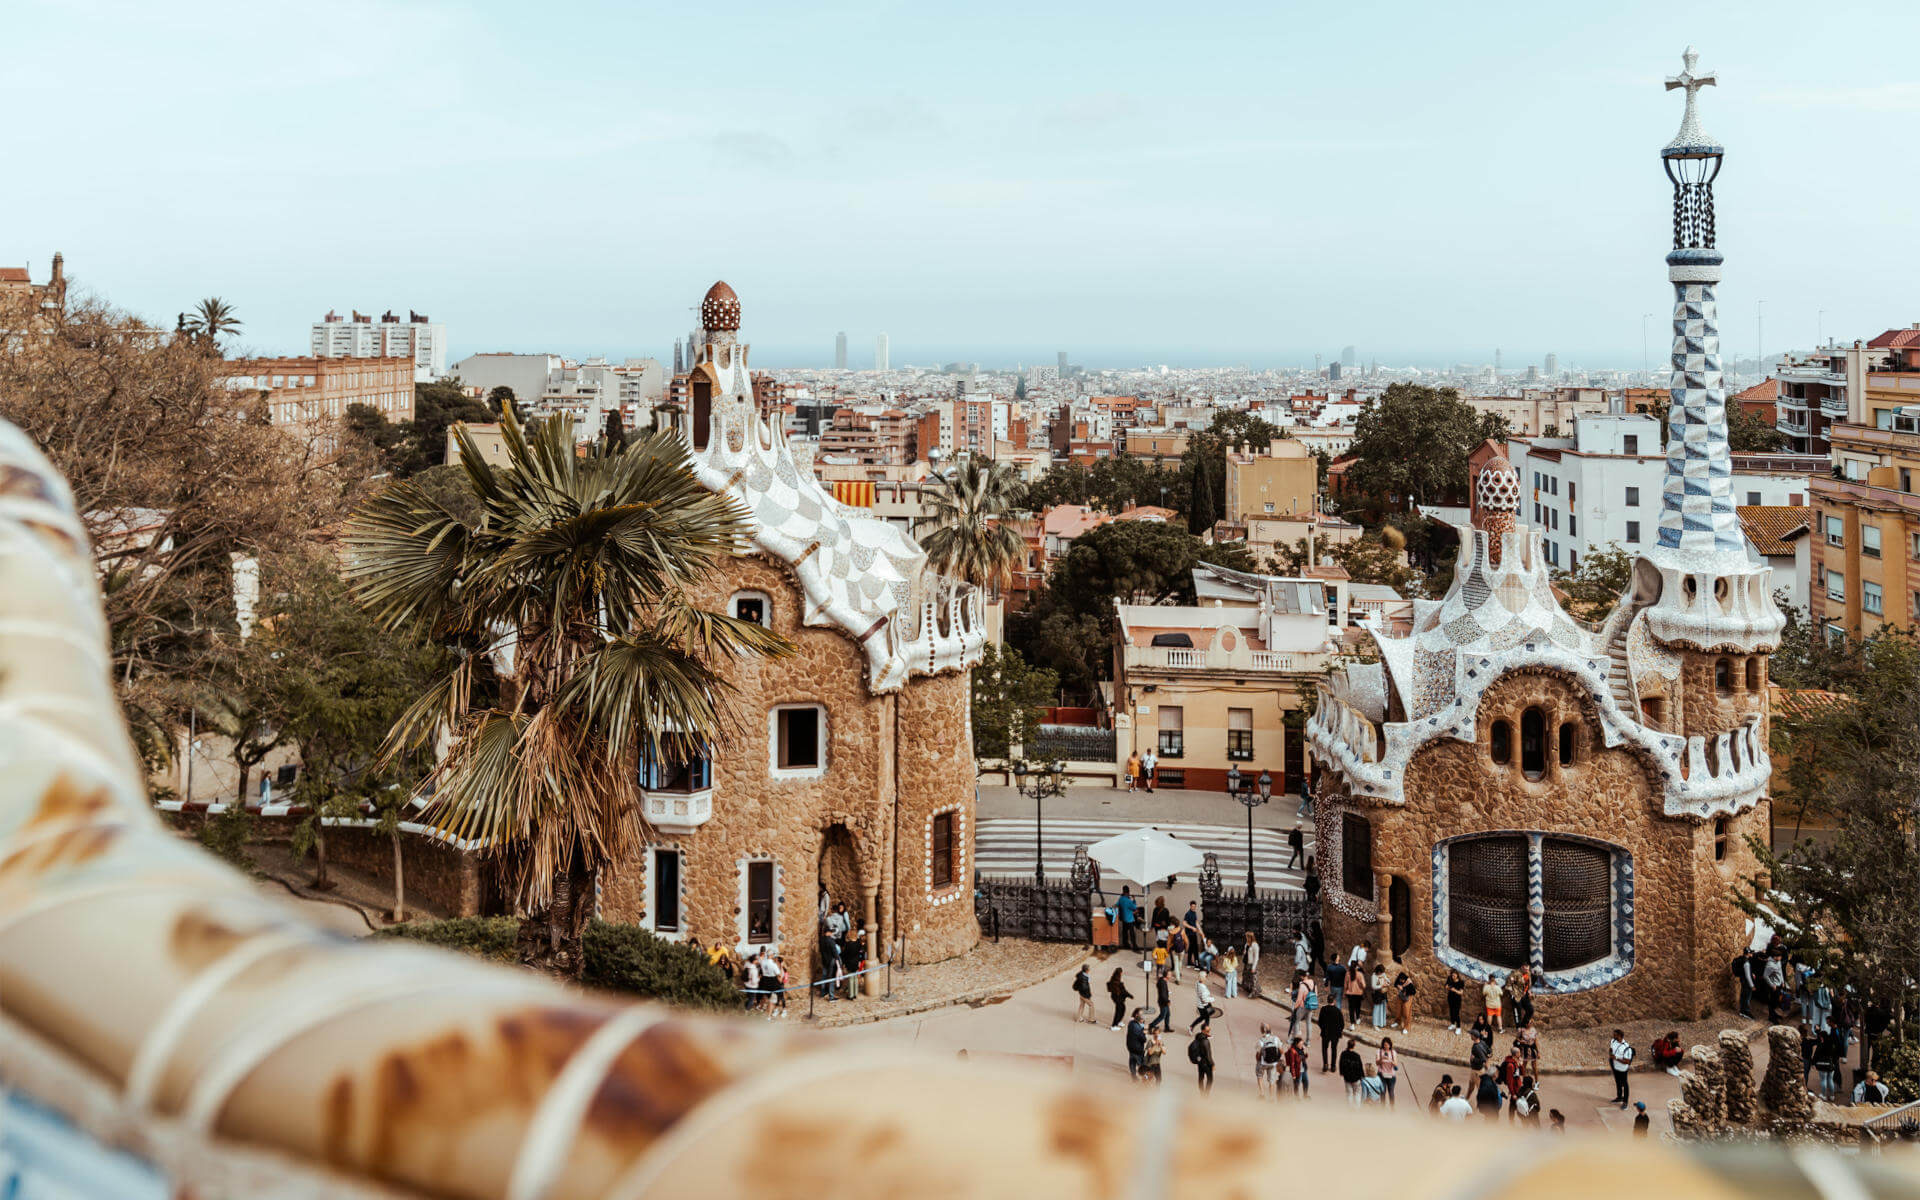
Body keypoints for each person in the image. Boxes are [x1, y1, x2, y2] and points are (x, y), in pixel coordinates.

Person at [1317, 986, 1346, 1073]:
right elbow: (1342, 1024)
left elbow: (1320, 1021)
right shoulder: (1338, 1011)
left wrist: (1322, 1028)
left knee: (1324, 1049)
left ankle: (1325, 1064)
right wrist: (1339, 1031)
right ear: (1334, 1001)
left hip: (1325, 1032)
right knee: (1334, 1049)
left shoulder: (1323, 1009)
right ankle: (1333, 1066)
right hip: (1335, 1034)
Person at [1812, 1028, 1842, 1102]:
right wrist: (1834, 1063)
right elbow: (1835, 1055)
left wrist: (1813, 1063)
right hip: (1830, 1065)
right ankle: (1832, 1096)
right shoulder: (1831, 1045)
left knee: (1823, 1080)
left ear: (1822, 1037)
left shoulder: (1821, 1045)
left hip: (1822, 1065)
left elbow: (1816, 1055)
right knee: (1830, 1080)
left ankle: (1824, 1095)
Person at [1609, 1028, 1635, 1109]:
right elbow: (1611, 1048)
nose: (1613, 1036)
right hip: (1614, 1065)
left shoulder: (1626, 1048)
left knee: (1624, 1084)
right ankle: (1619, 1097)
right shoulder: (1613, 1041)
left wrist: (1615, 1057)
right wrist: (1610, 1054)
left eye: (1615, 1034)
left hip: (1622, 1068)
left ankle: (1625, 1102)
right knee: (1617, 1081)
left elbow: (1627, 1061)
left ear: (1619, 1036)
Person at [1254, 1023, 1281, 1096]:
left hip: (1263, 1063)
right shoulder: (1276, 1039)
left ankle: (1262, 1093)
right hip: (1273, 1063)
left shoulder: (1260, 1041)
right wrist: (1276, 1059)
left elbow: (1258, 1054)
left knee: (1259, 1076)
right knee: (1272, 1080)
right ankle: (1271, 1096)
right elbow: (1281, 1051)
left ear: (1262, 1031)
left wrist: (1258, 1062)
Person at [1338, 1039, 1365, 1106]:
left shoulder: (1343, 1054)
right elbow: (1360, 1067)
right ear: (1354, 1046)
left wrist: (1342, 1072)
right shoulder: (1356, 1056)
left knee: (1349, 1093)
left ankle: (1350, 1107)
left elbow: (1341, 1064)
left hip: (1347, 1076)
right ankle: (1357, 1108)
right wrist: (1362, 1076)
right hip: (1356, 1077)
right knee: (1357, 1093)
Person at [1189, 1024, 1215, 1093]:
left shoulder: (1198, 1037)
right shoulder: (1205, 1041)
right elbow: (1208, 1054)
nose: (1209, 1032)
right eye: (1207, 1031)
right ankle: (1206, 1094)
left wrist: (1206, 1036)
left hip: (1199, 1061)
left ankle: (1201, 1092)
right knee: (1210, 1079)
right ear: (1203, 1030)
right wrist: (1212, 1064)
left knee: (1201, 1078)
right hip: (1206, 1063)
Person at [1375, 1038, 1400, 1107]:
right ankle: (1383, 1107)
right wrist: (1382, 1059)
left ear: (1390, 1045)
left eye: (1387, 1045)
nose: (1386, 1046)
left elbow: (1395, 1064)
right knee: (1382, 1092)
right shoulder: (1379, 1051)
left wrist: (1390, 1060)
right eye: (1385, 1045)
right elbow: (1377, 1063)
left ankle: (1392, 1107)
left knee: (1391, 1092)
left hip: (1391, 1075)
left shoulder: (1393, 1052)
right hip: (1381, 1074)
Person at [1150, 966, 1174, 1033]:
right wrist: (1168, 1001)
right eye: (1169, 974)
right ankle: (1151, 1025)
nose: (1171, 975)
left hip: (1162, 1001)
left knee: (1168, 1014)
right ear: (1166, 975)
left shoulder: (1162, 980)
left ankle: (1167, 1028)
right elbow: (1163, 995)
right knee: (1162, 1016)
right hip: (1163, 1002)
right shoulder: (1163, 983)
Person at [1732, 949, 1755, 1018]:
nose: (1752, 954)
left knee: (1743, 995)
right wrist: (1752, 985)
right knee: (1747, 997)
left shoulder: (1742, 959)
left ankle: (1742, 1011)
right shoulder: (1746, 963)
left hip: (1743, 980)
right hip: (1747, 982)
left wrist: (1752, 973)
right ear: (1748, 953)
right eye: (1751, 952)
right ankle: (1746, 1012)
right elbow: (1748, 976)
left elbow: (1745, 971)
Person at [1125, 1009, 1148, 1079]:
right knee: (1141, 1063)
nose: (1143, 1018)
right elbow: (1143, 1039)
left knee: (1132, 1060)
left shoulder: (1131, 1023)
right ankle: (1144, 1076)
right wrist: (1144, 1032)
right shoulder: (1138, 1028)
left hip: (1130, 1046)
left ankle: (1133, 1076)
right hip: (1137, 1048)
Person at [1394, 967, 1418, 1033]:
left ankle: (1406, 1027)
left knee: (1406, 1012)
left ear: (1405, 979)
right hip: (1400, 996)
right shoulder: (1399, 979)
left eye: (1402, 980)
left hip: (1408, 997)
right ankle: (1397, 1022)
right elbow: (1395, 984)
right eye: (1400, 980)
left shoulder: (1409, 983)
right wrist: (1398, 986)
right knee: (1398, 1009)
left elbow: (1414, 992)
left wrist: (1404, 990)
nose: (1401, 981)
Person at [1117, 887, 1139, 951]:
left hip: (1124, 918)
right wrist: (1134, 899)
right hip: (1129, 919)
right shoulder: (1129, 901)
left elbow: (1117, 904)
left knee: (1125, 932)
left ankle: (1125, 944)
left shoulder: (1121, 899)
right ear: (1128, 892)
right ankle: (1134, 947)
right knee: (1132, 934)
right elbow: (1135, 907)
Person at [1344, 958, 1366, 1024]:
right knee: (1357, 1007)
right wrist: (1361, 988)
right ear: (1357, 966)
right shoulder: (1360, 974)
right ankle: (1358, 1018)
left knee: (1351, 1009)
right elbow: (1364, 985)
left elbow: (1345, 985)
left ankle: (1352, 1023)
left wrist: (1345, 992)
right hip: (1358, 993)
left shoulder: (1347, 974)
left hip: (1350, 993)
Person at [1446, 968, 1466, 1034]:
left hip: (1457, 1000)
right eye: (1452, 975)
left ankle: (1458, 1027)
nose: (1453, 977)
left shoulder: (1461, 982)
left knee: (1456, 1014)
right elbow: (1446, 986)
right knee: (1451, 1012)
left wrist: (1455, 990)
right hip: (1450, 998)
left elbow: (1461, 992)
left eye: (1454, 976)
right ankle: (1452, 1024)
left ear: (1457, 975)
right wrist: (1449, 987)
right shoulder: (1449, 979)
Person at [1370, 963, 1389, 1029]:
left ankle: (1381, 1023)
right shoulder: (1374, 976)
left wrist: (1387, 982)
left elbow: (1388, 980)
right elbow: (1373, 986)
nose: (1381, 974)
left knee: (1382, 1008)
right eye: (1380, 972)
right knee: (1377, 1009)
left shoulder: (1383, 974)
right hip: (1377, 995)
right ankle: (1375, 1024)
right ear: (1378, 971)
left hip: (1383, 994)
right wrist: (1381, 986)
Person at [1243, 931, 1261, 999]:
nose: (1246, 938)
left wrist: (1254, 967)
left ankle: (1254, 993)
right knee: (1247, 977)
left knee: (1253, 979)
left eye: (1246, 937)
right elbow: (1246, 950)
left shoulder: (1255, 945)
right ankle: (1250, 989)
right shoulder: (1247, 944)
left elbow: (1256, 957)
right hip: (1246, 962)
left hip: (1251, 964)